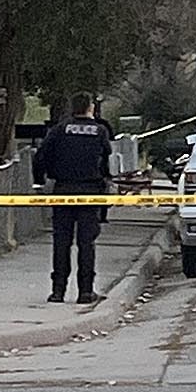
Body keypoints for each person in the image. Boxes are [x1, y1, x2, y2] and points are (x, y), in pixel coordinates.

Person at [35, 93, 112, 304]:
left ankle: (58, 291)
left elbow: (41, 155)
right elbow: (106, 158)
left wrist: (40, 180)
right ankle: (85, 292)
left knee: (62, 242)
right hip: (90, 192)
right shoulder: (100, 131)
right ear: (91, 108)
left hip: (63, 190)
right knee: (86, 243)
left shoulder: (60, 129)